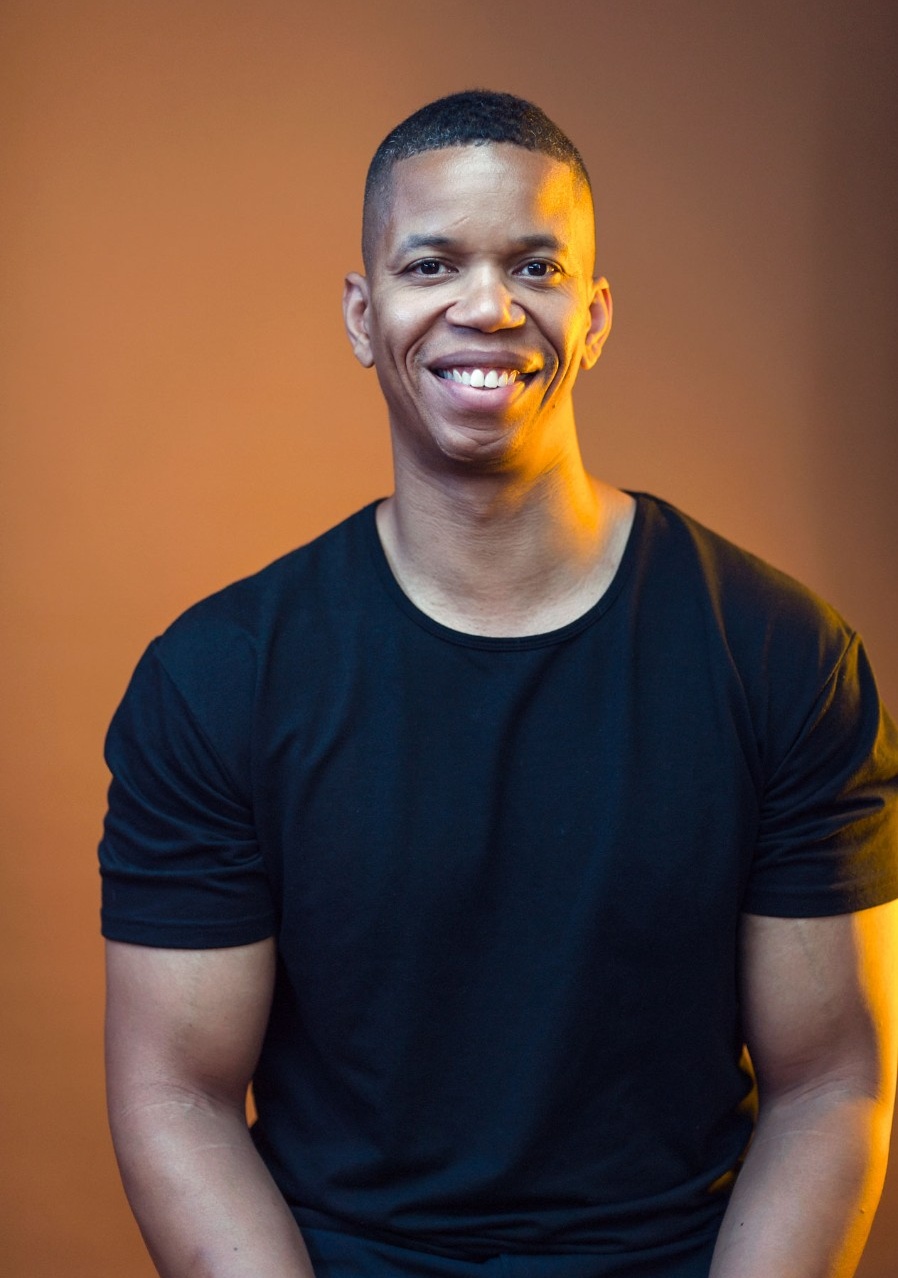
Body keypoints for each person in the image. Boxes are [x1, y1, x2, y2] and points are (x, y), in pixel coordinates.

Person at [100, 90, 898, 1278]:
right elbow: (176, 1095)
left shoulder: (782, 655)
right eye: (432, 265)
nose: (487, 306)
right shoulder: (217, 678)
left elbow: (831, 1083)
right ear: (364, 315)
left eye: (535, 266)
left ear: (595, 314)